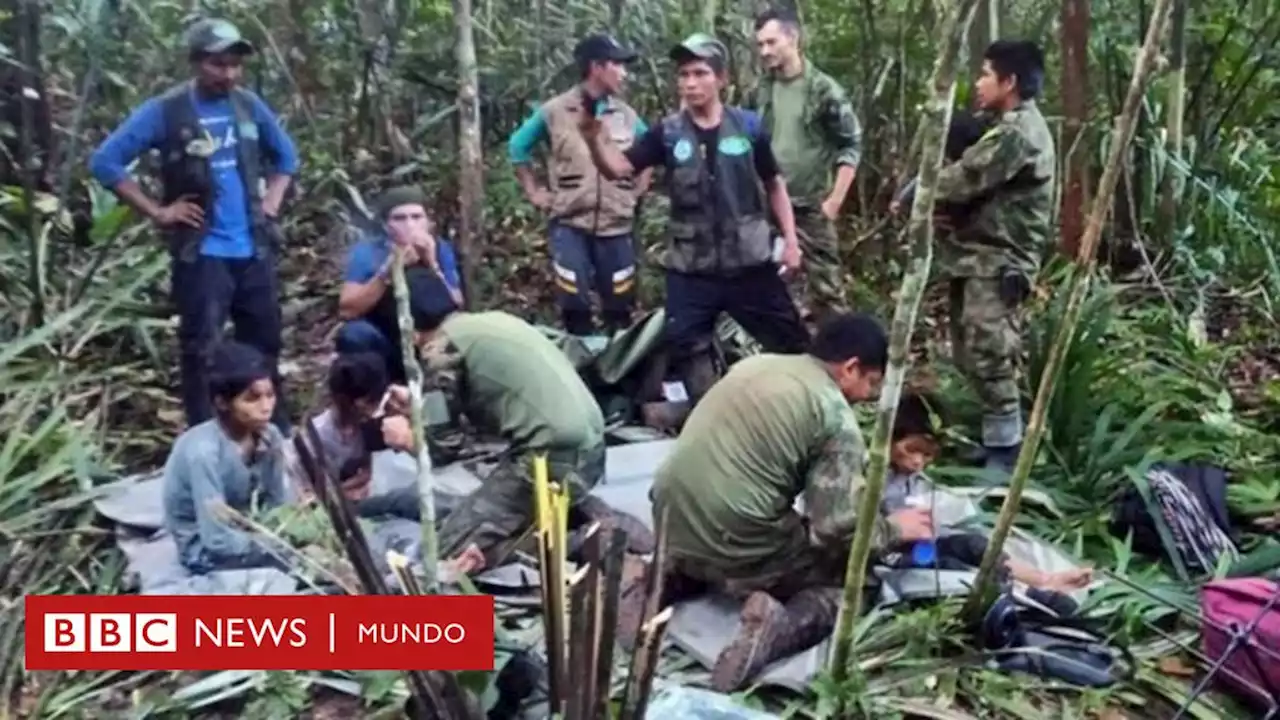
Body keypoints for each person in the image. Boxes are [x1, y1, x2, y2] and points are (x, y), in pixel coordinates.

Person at [624, 313, 934, 692]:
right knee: (854, 586)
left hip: (669, 514)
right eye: (870, 383)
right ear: (850, 367)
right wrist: (893, 529)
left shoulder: (756, 365)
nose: (868, 396)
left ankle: (661, 581)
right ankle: (777, 629)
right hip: (736, 536)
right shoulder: (834, 416)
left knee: (738, 524)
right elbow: (833, 529)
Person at [90, 18, 298, 432]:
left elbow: (287, 159)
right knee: (201, 348)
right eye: (218, 65)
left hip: (253, 248)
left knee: (265, 342)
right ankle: (206, 434)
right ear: (196, 63)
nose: (229, 74)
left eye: (235, 65)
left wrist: (271, 203)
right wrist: (158, 211)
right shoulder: (166, 111)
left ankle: (273, 428)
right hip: (202, 254)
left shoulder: (248, 106)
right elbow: (105, 162)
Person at [580, 33, 810, 405]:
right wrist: (592, 138)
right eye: (683, 74)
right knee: (686, 344)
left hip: (749, 262)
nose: (689, 83)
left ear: (721, 79)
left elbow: (774, 184)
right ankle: (711, 414)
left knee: (791, 342)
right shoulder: (667, 133)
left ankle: (802, 411)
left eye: (700, 73)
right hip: (692, 267)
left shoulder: (748, 127)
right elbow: (619, 168)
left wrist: (791, 242)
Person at [406, 273, 654, 573]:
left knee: (445, 552)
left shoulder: (440, 350)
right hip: (590, 450)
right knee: (495, 512)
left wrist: (407, 437)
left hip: (548, 459)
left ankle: (583, 539)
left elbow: (443, 447)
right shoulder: (491, 322)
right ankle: (580, 514)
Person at [929, 40, 1056, 476]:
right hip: (977, 256)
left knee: (991, 349)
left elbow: (965, 178)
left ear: (1010, 81)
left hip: (1001, 261)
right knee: (969, 351)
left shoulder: (1018, 133)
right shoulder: (1003, 124)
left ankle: (1008, 452)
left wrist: (919, 191)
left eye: (985, 74)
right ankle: (995, 439)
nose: (977, 83)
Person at [508, 33, 653, 337]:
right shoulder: (555, 111)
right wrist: (534, 192)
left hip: (616, 226)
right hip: (571, 223)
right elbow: (518, 147)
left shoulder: (626, 115)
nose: (624, 73)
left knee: (620, 303)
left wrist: (638, 189)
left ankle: (619, 371)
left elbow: (649, 151)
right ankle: (579, 366)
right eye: (618, 65)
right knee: (574, 302)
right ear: (596, 67)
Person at [881, 393, 1093, 592]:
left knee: (975, 546)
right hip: (883, 553)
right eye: (911, 449)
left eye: (928, 455)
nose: (918, 462)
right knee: (950, 567)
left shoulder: (911, 479)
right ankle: (1019, 595)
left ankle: (1042, 581)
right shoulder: (870, 475)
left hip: (916, 546)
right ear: (890, 437)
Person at [754, 8, 863, 323]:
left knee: (827, 292)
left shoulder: (823, 90)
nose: (765, 51)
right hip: (766, 206)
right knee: (766, 288)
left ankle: (840, 363)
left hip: (811, 207)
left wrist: (834, 202)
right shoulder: (761, 89)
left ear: (793, 38)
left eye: (771, 42)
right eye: (760, 45)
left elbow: (851, 143)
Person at [163, 341, 291, 574]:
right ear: (222, 402)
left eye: (270, 396)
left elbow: (279, 502)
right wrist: (276, 546)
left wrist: (288, 530)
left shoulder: (270, 435)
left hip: (253, 530)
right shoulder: (204, 453)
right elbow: (216, 539)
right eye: (252, 399)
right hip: (205, 548)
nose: (266, 407)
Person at [336, 186, 464, 383]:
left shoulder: (439, 248)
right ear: (387, 225)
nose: (409, 224)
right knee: (354, 335)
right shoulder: (369, 252)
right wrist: (387, 272)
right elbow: (347, 310)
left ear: (428, 222)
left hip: (432, 339)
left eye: (416, 217)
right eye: (400, 218)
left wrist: (432, 264)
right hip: (387, 338)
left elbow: (457, 303)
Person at [284, 352, 422, 520]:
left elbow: (366, 474)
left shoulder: (375, 421)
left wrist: (412, 412)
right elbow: (308, 496)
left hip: (358, 494)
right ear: (344, 401)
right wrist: (342, 493)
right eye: (369, 402)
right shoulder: (317, 437)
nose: (373, 410)